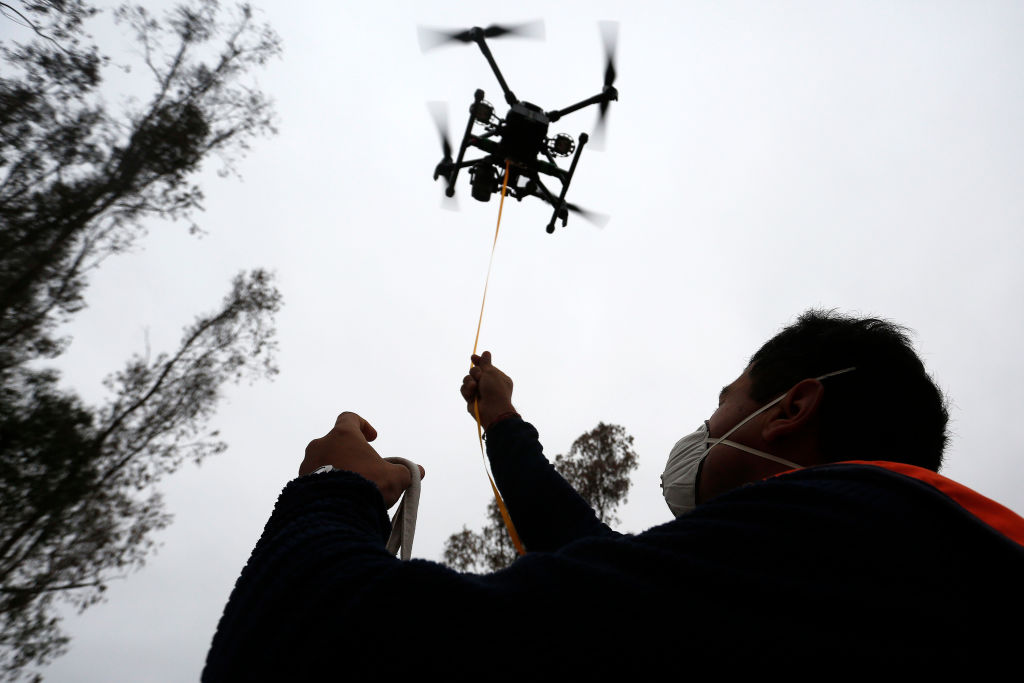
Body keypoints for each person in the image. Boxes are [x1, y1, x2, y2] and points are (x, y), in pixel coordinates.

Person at [203, 310, 1024, 680]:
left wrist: (336, 487)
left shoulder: (841, 534)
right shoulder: (897, 561)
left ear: (794, 408)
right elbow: (598, 563)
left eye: (722, 404)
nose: (704, 428)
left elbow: (310, 643)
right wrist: (503, 421)